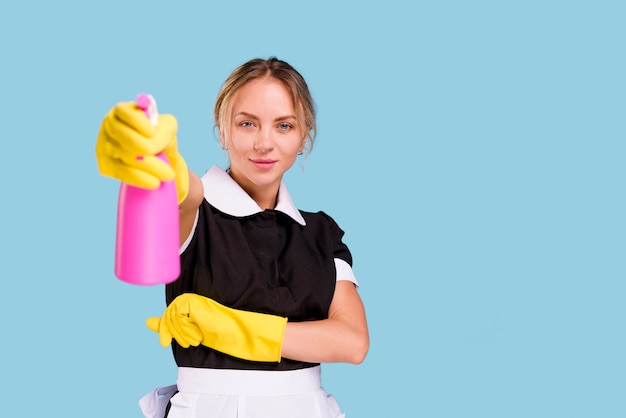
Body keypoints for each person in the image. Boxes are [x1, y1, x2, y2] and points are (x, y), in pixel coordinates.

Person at [96, 57, 369, 418]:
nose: (264, 143)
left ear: (305, 136)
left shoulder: (321, 232)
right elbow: (184, 195)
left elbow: (352, 342)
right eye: (247, 124)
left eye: (284, 126)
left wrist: (229, 327)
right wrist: (162, 165)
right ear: (223, 131)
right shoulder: (199, 212)